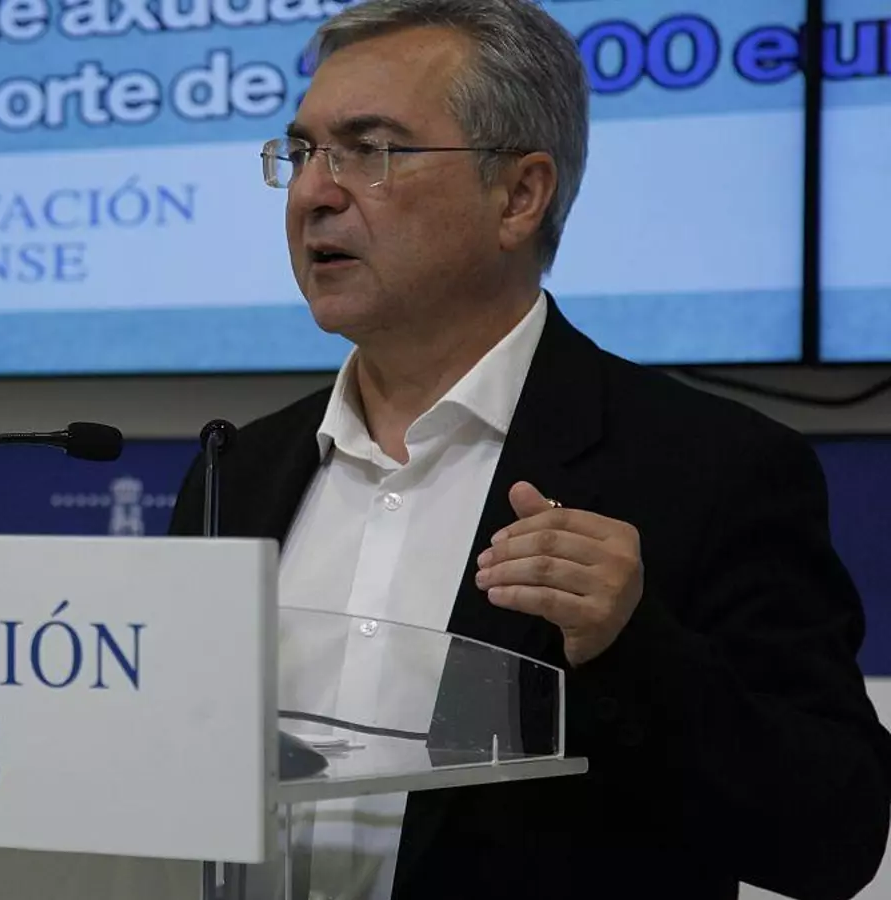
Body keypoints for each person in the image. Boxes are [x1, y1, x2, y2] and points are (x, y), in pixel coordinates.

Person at [167, 1, 891, 898]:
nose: (313, 191)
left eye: (371, 150)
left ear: (519, 195)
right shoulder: (237, 472)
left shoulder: (710, 468)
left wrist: (633, 649)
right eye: (304, 151)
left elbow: (834, 837)